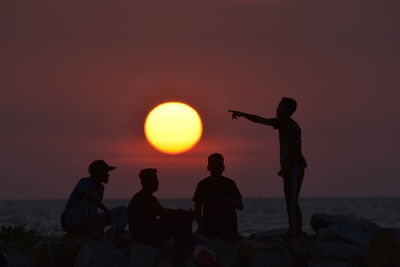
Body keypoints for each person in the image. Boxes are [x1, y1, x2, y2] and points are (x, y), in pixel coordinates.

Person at [229, 97, 307, 236]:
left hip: (295, 168)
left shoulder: (292, 127)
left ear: (288, 110)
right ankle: (294, 229)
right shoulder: (280, 123)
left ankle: (295, 231)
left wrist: (287, 167)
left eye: (280, 106)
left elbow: (296, 151)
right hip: (289, 168)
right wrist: (242, 114)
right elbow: (260, 120)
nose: (277, 109)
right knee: (290, 199)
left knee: (292, 198)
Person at [128, 168, 193, 262]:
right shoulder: (143, 198)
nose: (157, 182)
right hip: (144, 236)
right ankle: (181, 252)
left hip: (145, 233)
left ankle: (181, 250)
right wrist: (183, 213)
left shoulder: (148, 197)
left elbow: (162, 213)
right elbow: (162, 213)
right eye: (155, 180)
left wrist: (180, 213)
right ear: (148, 182)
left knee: (181, 217)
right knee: (183, 219)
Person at [60, 160, 128, 243]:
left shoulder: (100, 188)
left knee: (123, 210)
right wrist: (106, 211)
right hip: (72, 221)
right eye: (105, 172)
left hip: (88, 222)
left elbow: (93, 209)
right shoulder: (85, 181)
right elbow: (89, 196)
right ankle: (93, 230)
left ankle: (118, 235)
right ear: (97, 173)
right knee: (91, 196)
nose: (108, 175)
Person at [193, 153, 243, 241]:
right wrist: (200, 227)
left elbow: (240, 206)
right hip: (209, 229)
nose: (219, 168)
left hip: (228, 230)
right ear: (209, 167)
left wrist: (229, 200)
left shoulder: (230, 184)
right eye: (215, 165)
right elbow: (197, 208)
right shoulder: (203, 185)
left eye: (220, 165)